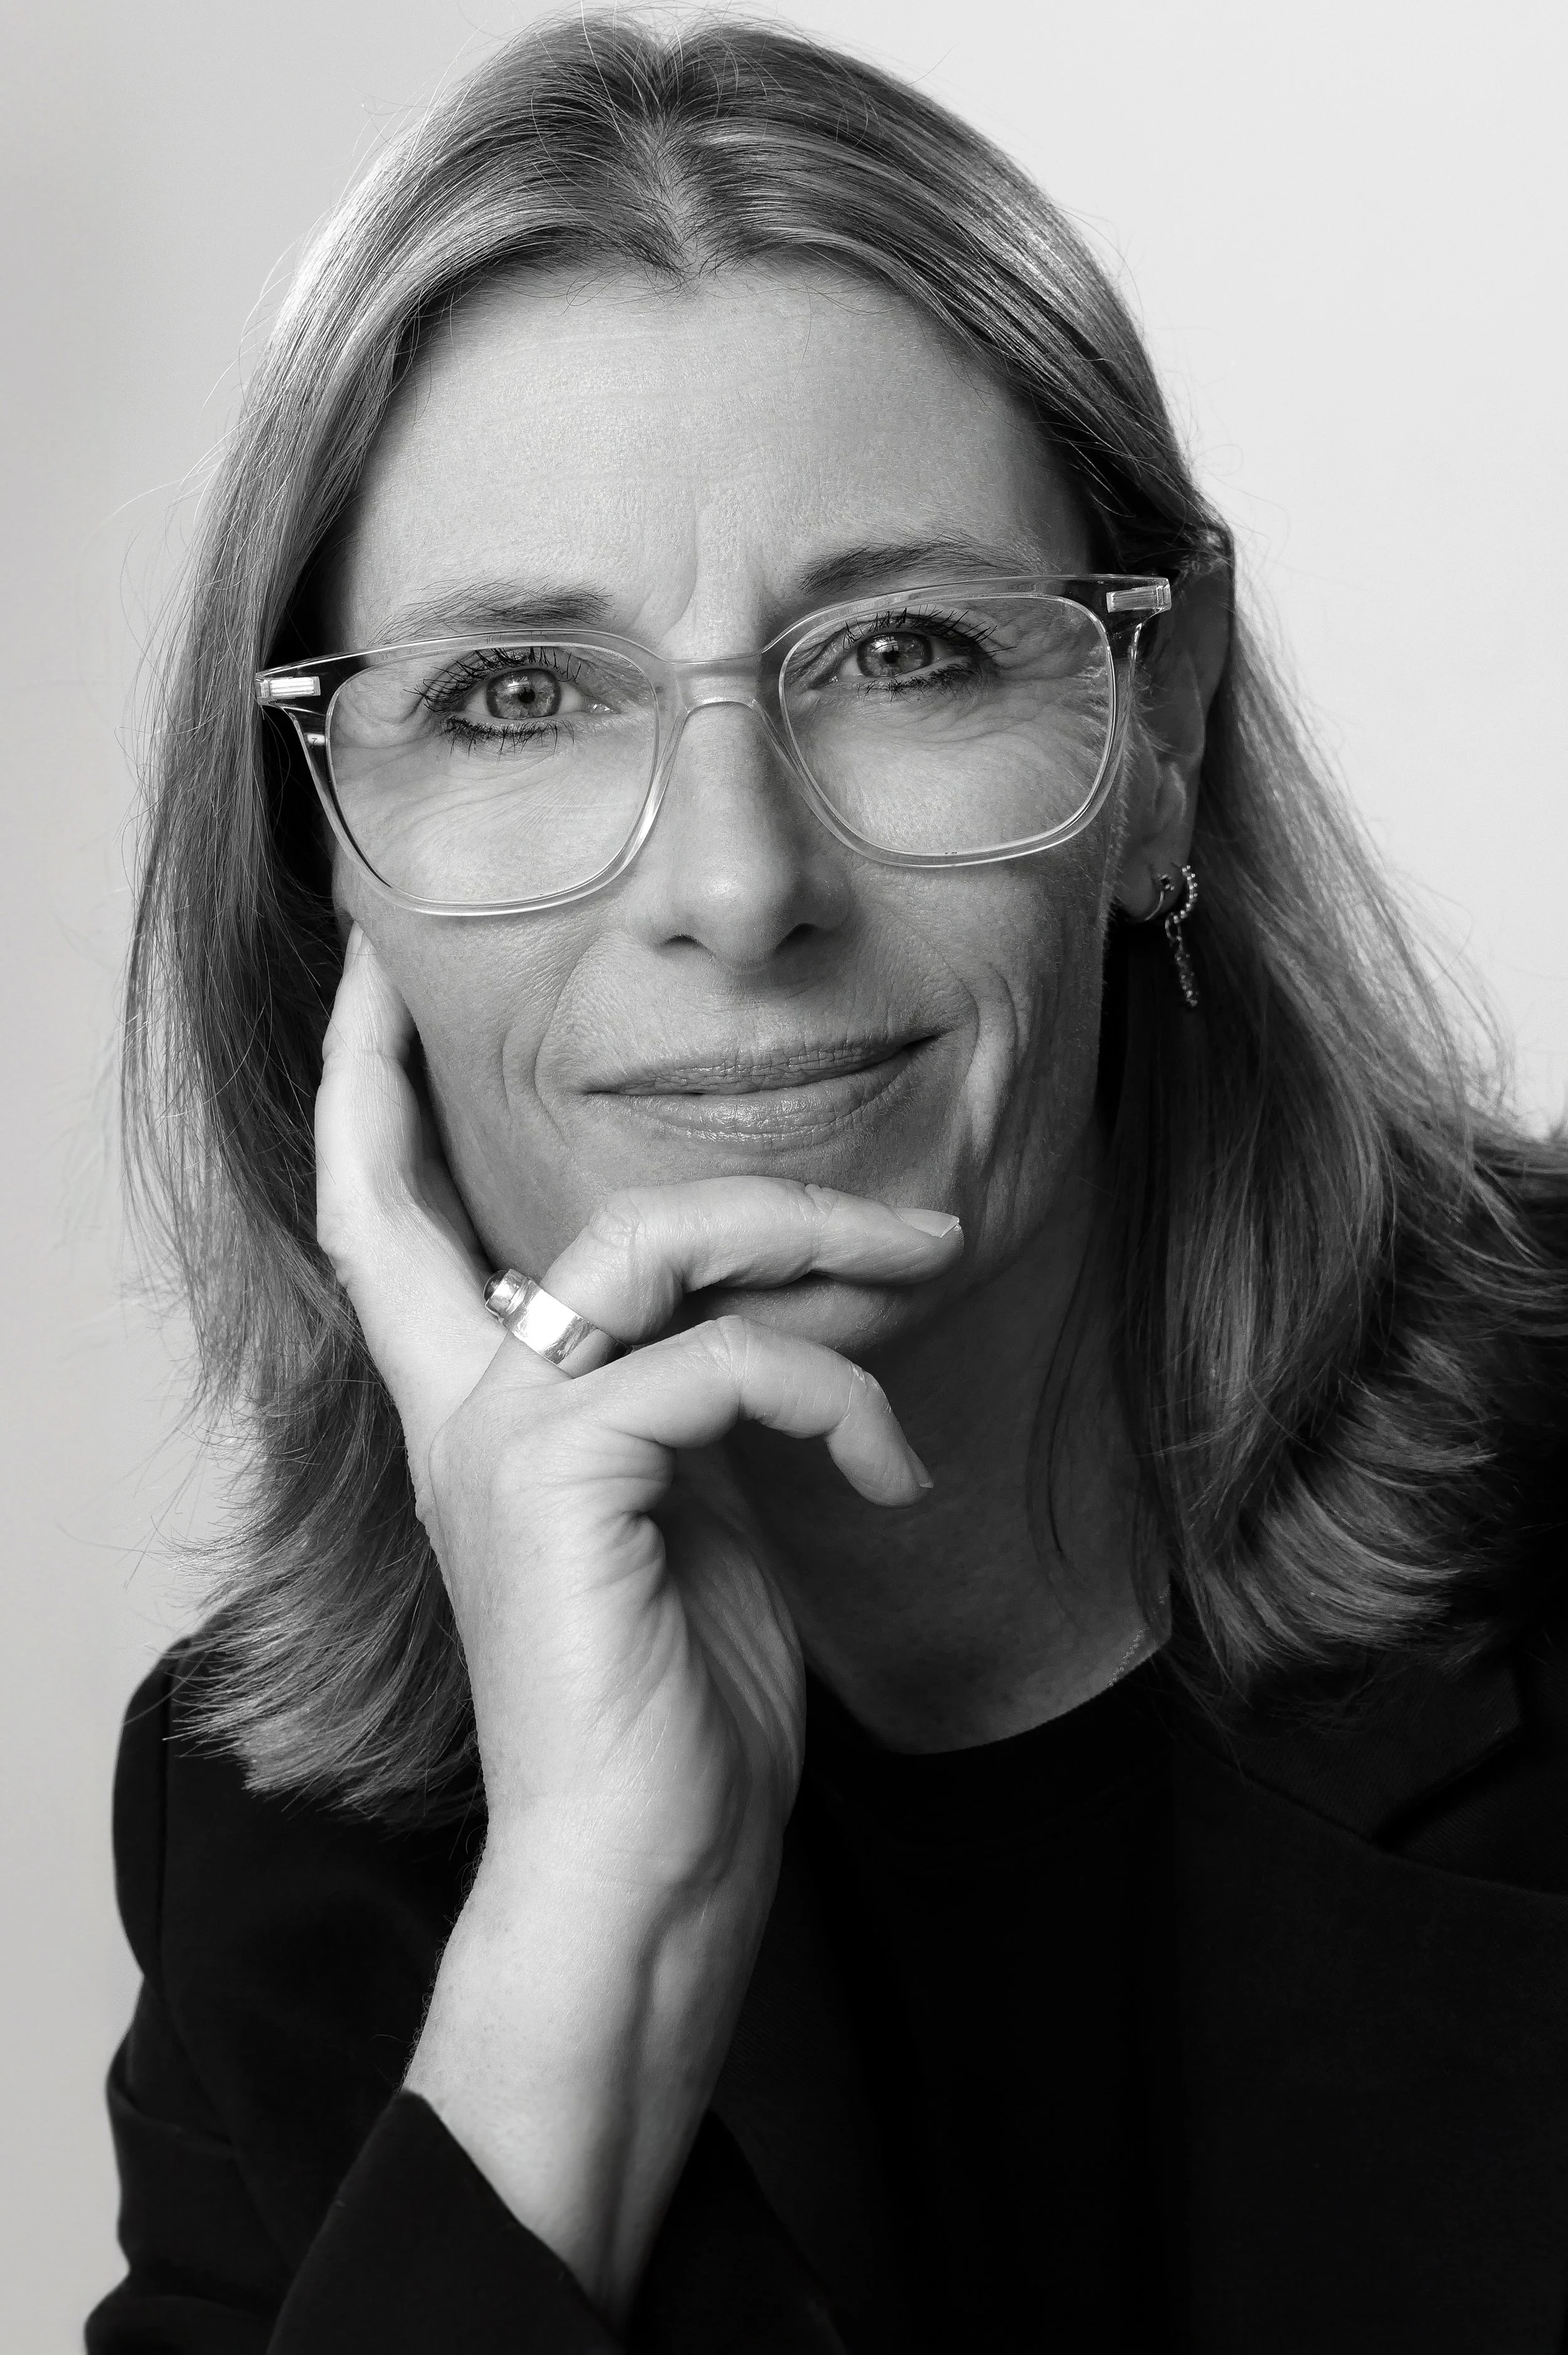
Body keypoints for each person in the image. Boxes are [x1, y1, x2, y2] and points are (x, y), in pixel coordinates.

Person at [91, 16, 1568, 2354]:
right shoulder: (277, 1832)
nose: (741, 883)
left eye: (899, 652)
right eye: (510, 696)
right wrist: (593, 1943)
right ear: (319, 859)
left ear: (1152, 737)